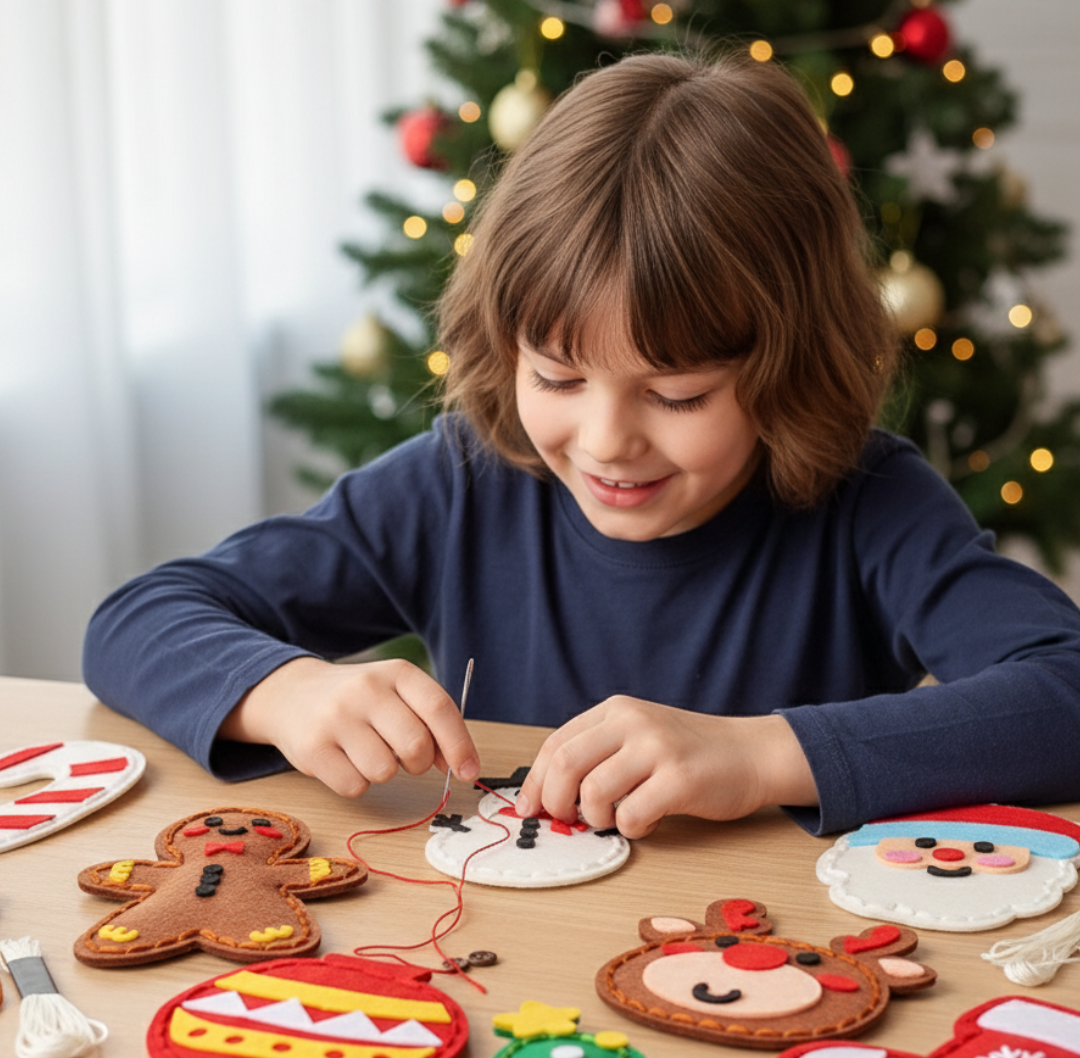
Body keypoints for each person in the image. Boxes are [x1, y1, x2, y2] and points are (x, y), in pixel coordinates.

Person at [82, 51, 1080, 841]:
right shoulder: (461, 482)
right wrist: (287, 691)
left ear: (791, 366)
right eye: (558, 379)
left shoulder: (870, 502)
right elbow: (136, 619)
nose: (605, 441)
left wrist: (760, 756)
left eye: (678, 394)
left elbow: (1065, 691)